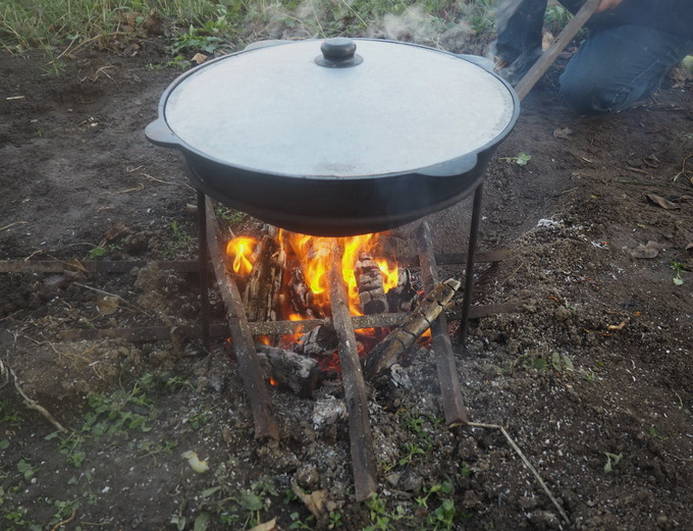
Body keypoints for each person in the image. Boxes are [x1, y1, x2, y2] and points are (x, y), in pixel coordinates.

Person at [495, 0, 693, 113]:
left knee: (587, 91)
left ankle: (649, 67)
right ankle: (516, 66)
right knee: (511, 72)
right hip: (601, 7)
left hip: (661, 19)